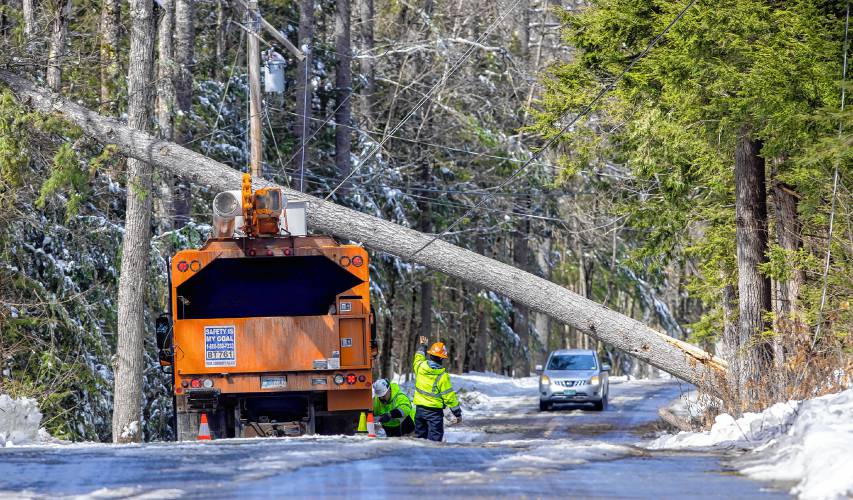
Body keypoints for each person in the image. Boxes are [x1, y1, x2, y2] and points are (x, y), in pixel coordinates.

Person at [412, 335, 462, 442]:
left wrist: (423, 346)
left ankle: (417, 458)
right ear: (442, 358)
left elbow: (418, 357)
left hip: (419, 411)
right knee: (434, 442)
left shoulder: (420, 367)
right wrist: (457, 413)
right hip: (434, 414)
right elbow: (449, 397)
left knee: (420, 440)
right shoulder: (442, 376)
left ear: (430, 355)